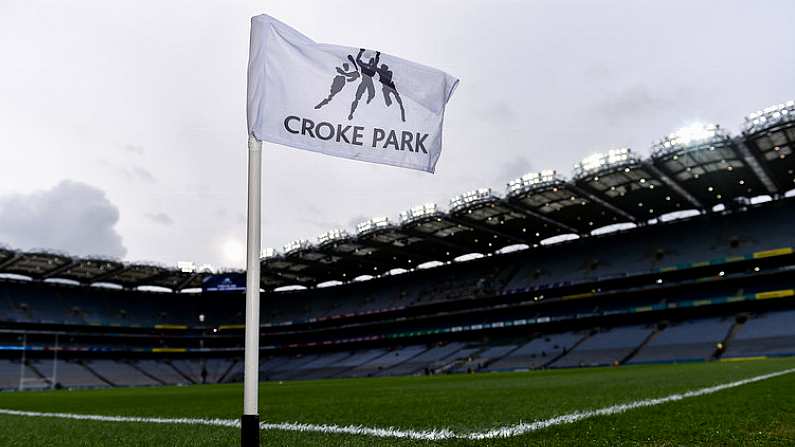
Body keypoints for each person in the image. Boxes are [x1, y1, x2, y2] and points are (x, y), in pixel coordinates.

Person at [348, 49, 380, 120]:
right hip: (364, 82)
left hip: (369, 83)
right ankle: (351, 113)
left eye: (372, 61)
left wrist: (377, 55)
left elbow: (376, 62)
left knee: (372, 95)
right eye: (371, 61)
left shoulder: (373, 67)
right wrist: (361, 52)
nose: (371, 62)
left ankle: (366, 106)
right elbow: (357, 60)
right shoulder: (365, 66)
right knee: (357, 98)